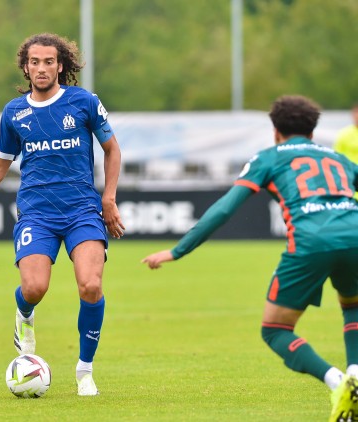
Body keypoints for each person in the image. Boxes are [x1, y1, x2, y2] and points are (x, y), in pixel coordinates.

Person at [143, 95, 358, 420]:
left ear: (274, 130)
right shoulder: (342, 160)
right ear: (313, 132)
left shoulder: (268, 157)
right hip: (354, 233)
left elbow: (226, 207)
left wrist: (178, 250)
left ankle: (339, 382)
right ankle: (355, 375)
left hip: (310, 241)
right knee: (353, 305)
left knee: (275, 329)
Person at [0, 33, 124, 396]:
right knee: (34, 287)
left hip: (82, 209)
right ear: (25, 67)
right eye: (34, 62)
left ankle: (85, 371)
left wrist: (108, 199)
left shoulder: (83, 102)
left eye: (48, 61)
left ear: (61, 65)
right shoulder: (15, 112)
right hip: (37, 213)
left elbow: (112, 151)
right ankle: (24, 315)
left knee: (90, 285)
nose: (41, 68)